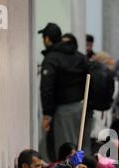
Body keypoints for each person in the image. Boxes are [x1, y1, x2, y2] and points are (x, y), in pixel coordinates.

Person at [38, 26, 90, 160]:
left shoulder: (52, 59)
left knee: (66, 150)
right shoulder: (80, 57)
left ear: (47, 39)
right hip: (82, 107)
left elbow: (46, 88)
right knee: (81, 148)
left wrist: (47, 115)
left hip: (63, 111)